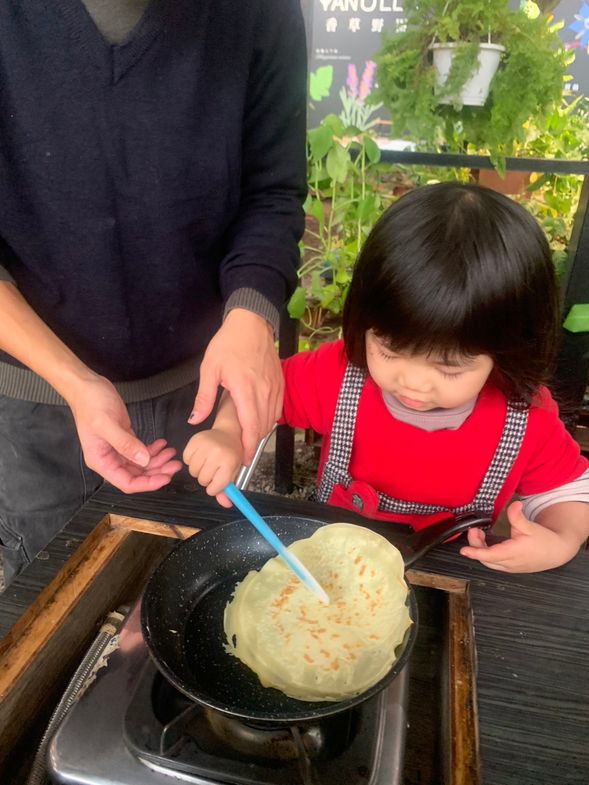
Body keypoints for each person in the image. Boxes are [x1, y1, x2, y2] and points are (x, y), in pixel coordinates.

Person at [0, 0, 307, 586]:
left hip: (198, 386)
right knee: (51, 601)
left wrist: (251, 318)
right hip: (34, 398)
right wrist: (75, 381)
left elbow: (272, 190)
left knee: (193, 595)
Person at [185, 182, 589, 574]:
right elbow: (257, 393)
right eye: (390, 351)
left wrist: (560, 540)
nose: (414, 382)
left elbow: (569, 493)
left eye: (450, 369)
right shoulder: (339, 376)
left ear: (508, 351)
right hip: (330, 570)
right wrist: (226, 433)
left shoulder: (524, 419)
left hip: (444, 575)